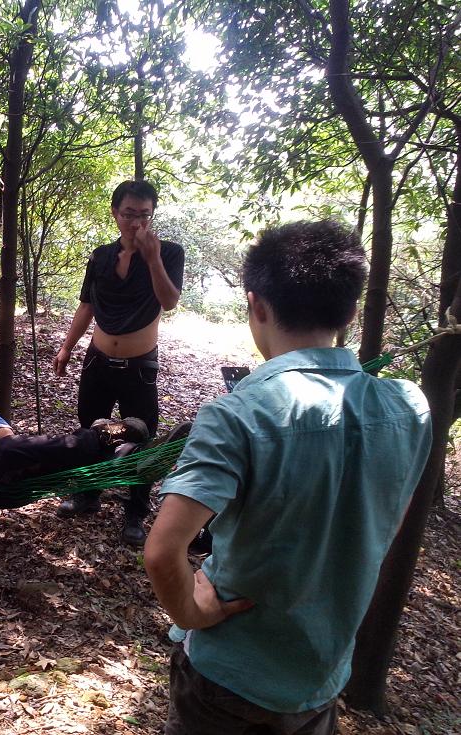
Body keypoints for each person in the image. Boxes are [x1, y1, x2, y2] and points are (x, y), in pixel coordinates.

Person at [143, 220, 432, 734]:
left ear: (256, 305)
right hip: (321, 676)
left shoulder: (238, 415)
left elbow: (163, 551)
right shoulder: (409, 408)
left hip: (227, 677)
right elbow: (386, 520)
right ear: (351, 311)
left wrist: (192, 615)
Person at [53, 180, 185, 547]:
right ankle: (88, 493)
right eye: (129, 214)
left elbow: (169, 301)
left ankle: (135, 511)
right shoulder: (101, 256)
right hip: (97, 360)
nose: (137, 223)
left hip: (139, 365)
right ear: (115, 213)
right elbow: (87, 305)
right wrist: (66, 347)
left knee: (142, 435)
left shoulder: (169, 253)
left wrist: (153, 258)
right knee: (89, 429)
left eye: (144, 215)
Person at [0, 368, 152, 505]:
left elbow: (8, 438)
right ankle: (100, 435)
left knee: (18, 449)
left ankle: (126, 455)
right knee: (6, 449)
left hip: (20, 474)